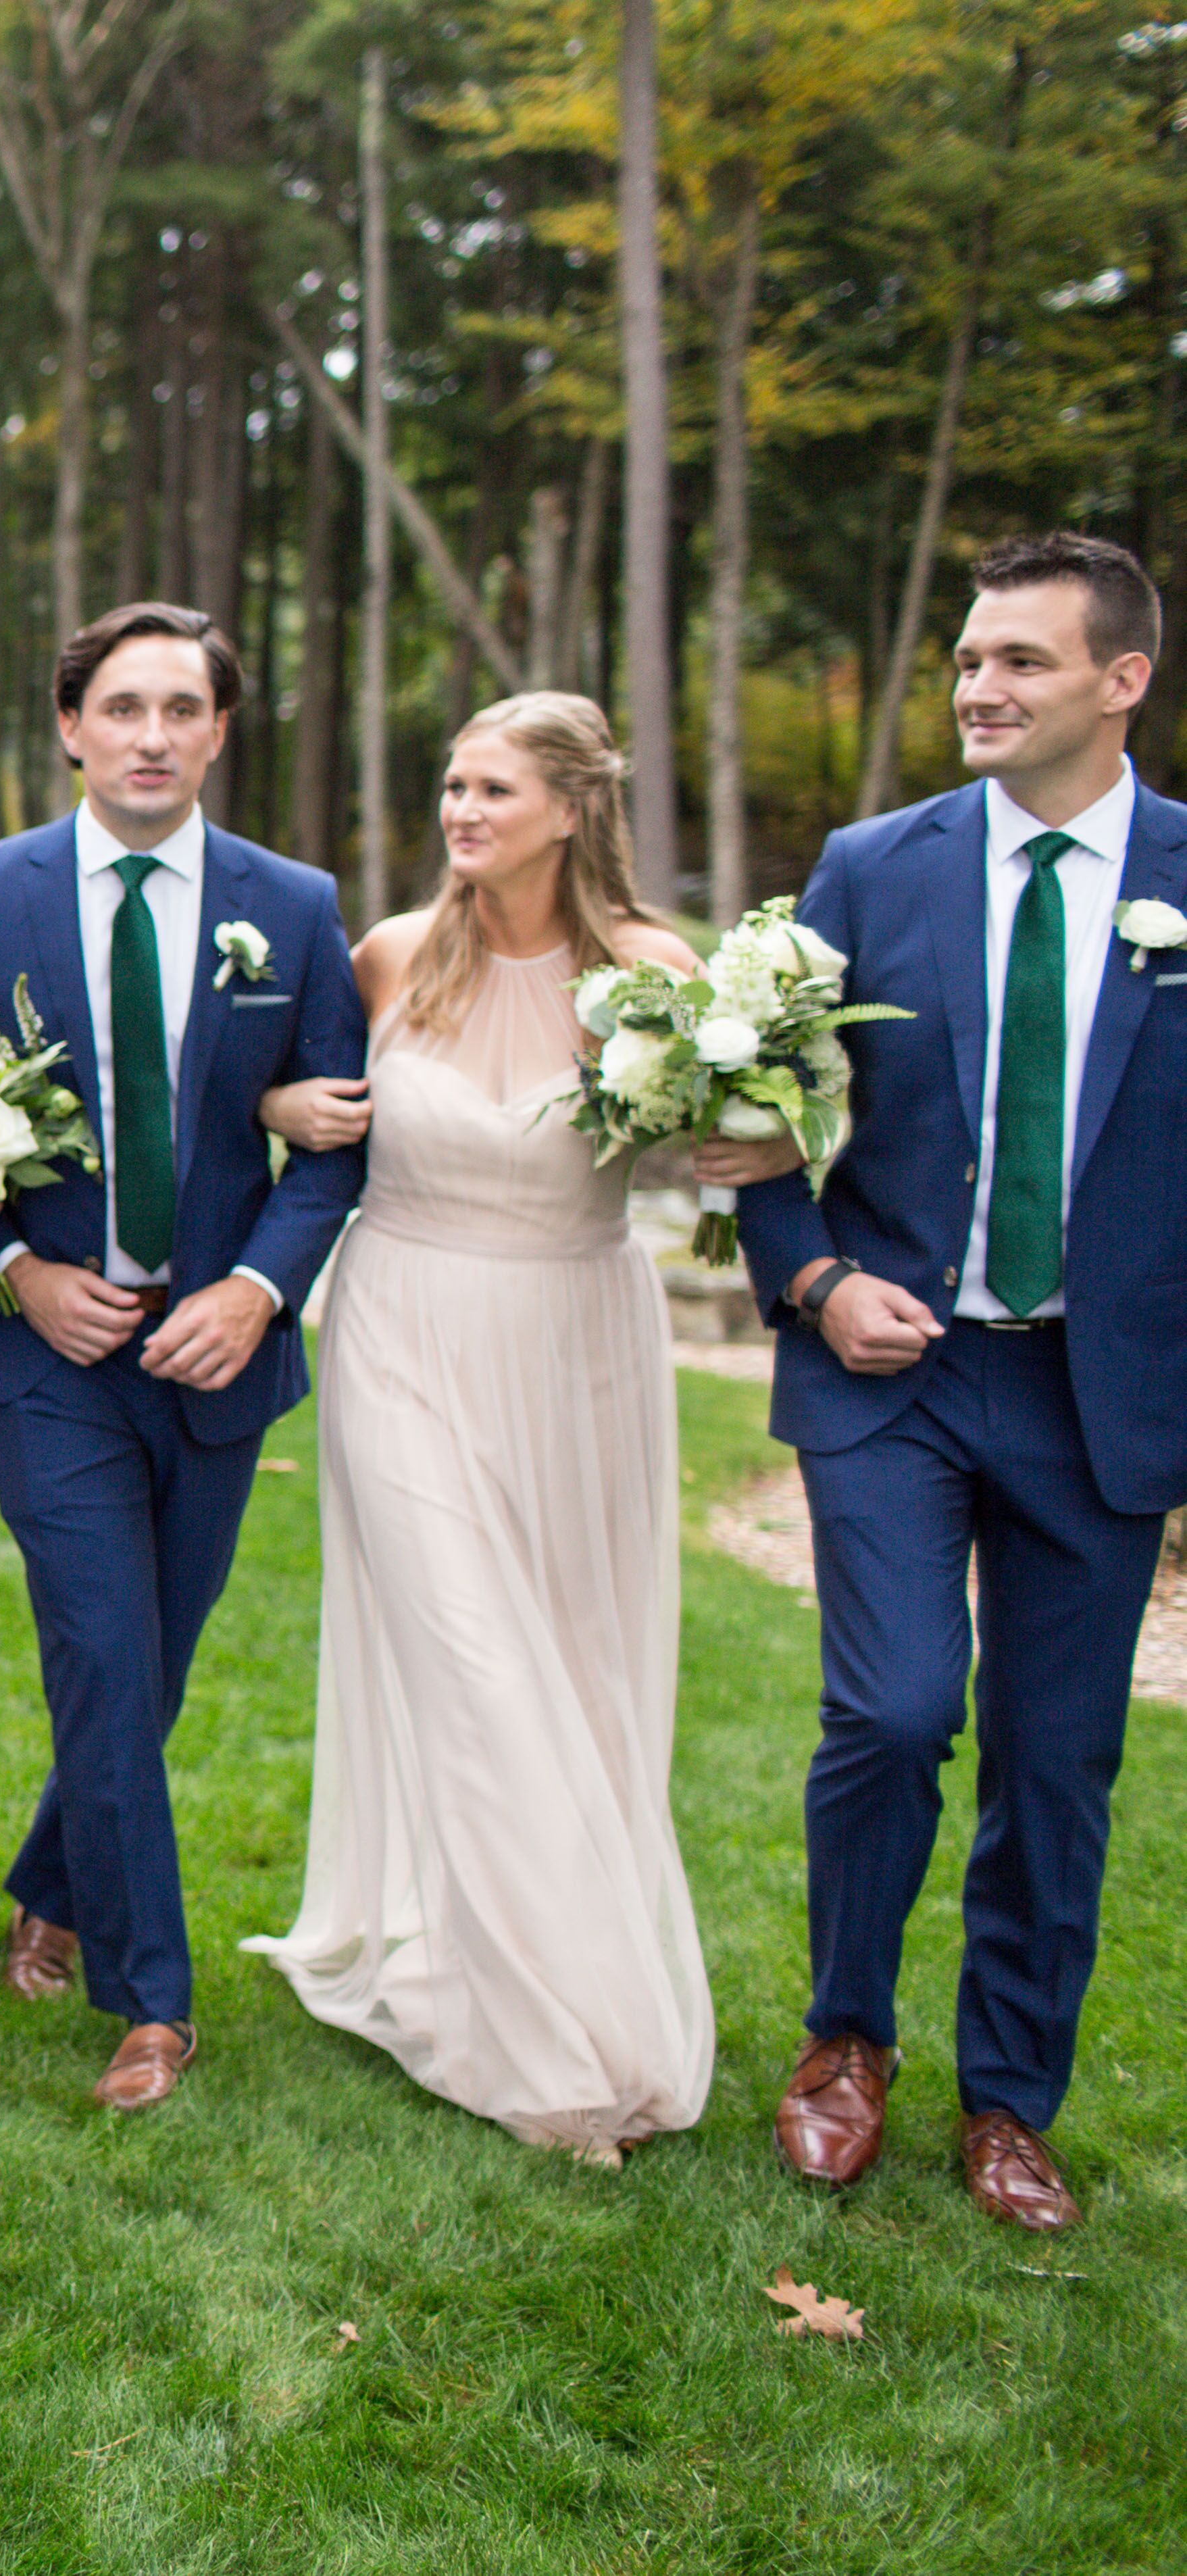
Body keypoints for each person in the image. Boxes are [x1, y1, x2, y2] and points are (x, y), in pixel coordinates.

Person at [731, 531, 1187, 2234]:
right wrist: (820, 1275)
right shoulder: (871, 866)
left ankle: (1013, 2102)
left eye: (1021, 663)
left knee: (1059, 1761)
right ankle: (844, 2040)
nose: (978, 689)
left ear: (1122, 681)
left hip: (1105, 1395)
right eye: (969, 660)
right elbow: (755, 1109)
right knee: (898, 1708)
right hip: (891, 1372)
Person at [0, 601, 367, 2115]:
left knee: (148, 1665)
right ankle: (151, 2002)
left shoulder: (294, 908)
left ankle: (52, 1871)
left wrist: (256, 1290)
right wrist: (14, 1266)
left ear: (220, 730)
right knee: (101, 1652)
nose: (153, 734)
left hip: (219, 1354)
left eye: (183, 708)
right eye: (124, 707)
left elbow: (335, 1142)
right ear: (73, 729)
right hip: (54, 1360)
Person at [236, 693, 718, 2161]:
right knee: (471, 1663)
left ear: (572, 809)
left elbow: (714, 1143)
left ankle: (558, 1969)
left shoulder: (654, 973)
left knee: (567, 1665)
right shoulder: (390, 956)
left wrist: (771, 1130)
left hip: (579, 1343)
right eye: (451, 783)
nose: (460, 810)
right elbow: (272, 1098)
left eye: (493, 788)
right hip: (405, 1334)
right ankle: (548, 2048)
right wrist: (278, 1099)